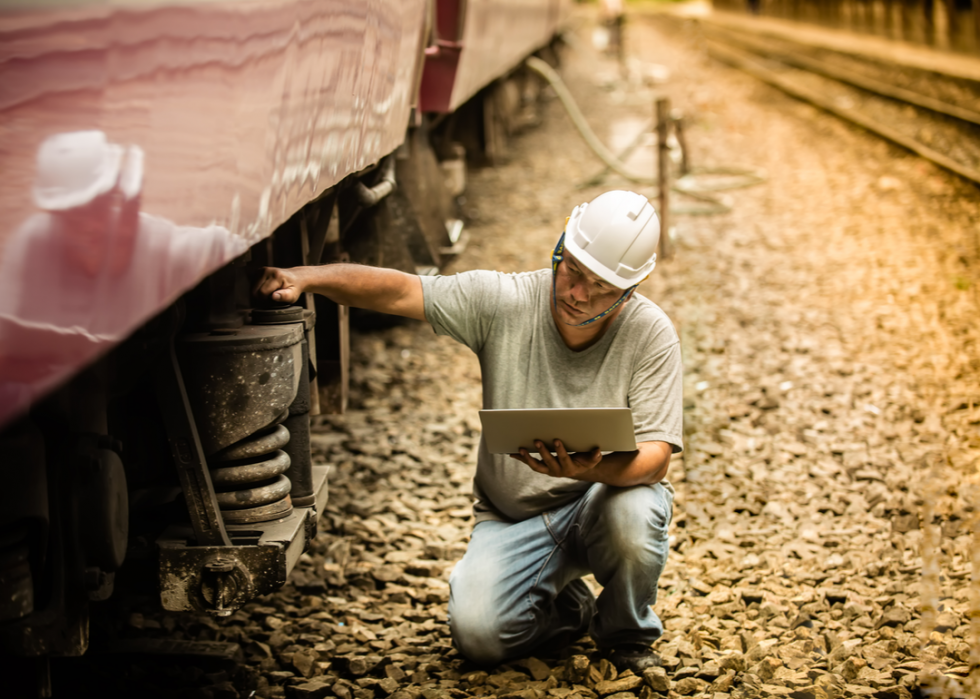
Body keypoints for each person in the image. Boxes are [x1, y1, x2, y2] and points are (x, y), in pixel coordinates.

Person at [254, 190, 682, 671]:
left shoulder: (652, 334)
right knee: (478, 637)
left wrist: (596, 467)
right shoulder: (505, 302)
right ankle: (571, 608)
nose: (578, 294)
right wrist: (305, 278)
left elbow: (656, 458)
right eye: (573, 270)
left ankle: (625, 633)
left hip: (600, 502)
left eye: (601, 287)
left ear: (629, 290)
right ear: (560, 246)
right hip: (513, 517)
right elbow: (399, 290)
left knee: (638, 509)